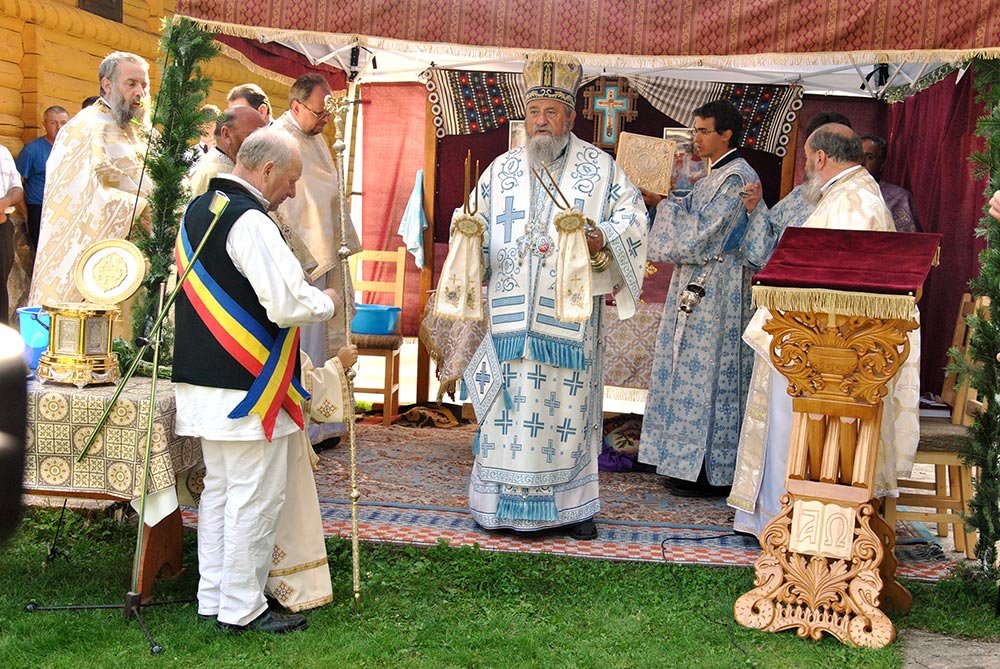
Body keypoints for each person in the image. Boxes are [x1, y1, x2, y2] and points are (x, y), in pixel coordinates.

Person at [438, 53, 647, 539]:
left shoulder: (600, 169)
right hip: (510, 324)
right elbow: (478, 228)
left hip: (566, 323)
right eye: (534, 112)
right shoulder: (501, 169)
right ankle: (498, 507)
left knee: (566, 418)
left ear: (570, 117)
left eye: (551, 113)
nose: (541, 122)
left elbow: (633, 220)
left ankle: (573, 511)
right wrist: (467, 233)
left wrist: (600, 238)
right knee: (507, 416)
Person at [172, 129, 339, 633]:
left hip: (203, 383)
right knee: (253, 497)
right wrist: (328, 303)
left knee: (221, 492)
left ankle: (215, 596)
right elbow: (287, 302)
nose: (291, 191)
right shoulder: (251, 220)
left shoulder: (198, 210)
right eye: (290, 180)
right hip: (247, 388)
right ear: (266, 171)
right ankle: (243, 608)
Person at [729, 124, 919, 537]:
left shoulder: (850, 203)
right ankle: (789, 522)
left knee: (792, 429)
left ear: (819, 159)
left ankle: (796, 525)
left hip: (825, 358)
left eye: (806, 161)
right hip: (819, 347)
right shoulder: (854, 194)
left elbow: (836, 286)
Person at [637, 100, 765, 497]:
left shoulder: (736, 178)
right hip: (698, 284)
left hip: (721, 288)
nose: (696, 138)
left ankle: (710, 471)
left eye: (704, 131)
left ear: (726, 133)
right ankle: (682, 464)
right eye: (695, 130)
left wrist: (662, 205)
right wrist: (665, 202)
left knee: (710, 375)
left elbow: (702, 233)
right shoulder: (714, 175)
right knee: (687, 371)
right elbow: (690, 214)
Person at [28, 52, 153, 307]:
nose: (140, 92)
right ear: (107, 85)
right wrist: (145, 206)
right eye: (131, 84)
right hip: (101, 257)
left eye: (144, 85)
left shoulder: (141, 130)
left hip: (143, 255)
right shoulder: (86, 128)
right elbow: (84, 195)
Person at [272, 73, 361, 365]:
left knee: (322, 333)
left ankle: (325, 393)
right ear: (296, 107)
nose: (325, 119)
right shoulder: (280, 139)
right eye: (319, 112)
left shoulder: (316, 137)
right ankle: (308, 395)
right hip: (302, 257)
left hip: (325, 251)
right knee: (307, 336)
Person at [739, 111, 852, 238]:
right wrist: (756, 208)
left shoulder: (848, 199)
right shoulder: (799, 194)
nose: (806, 164)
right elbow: (769, 239)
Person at [15, 106, 70, 251]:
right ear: (44, 124)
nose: (59, 127)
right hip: (39, 210)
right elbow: (16, 182)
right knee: (42, 254)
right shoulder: (32, 150)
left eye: (63, 123)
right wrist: (25, 213)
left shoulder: (73, 149)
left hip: (66, 209)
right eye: (53, 123)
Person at [188, 106, 268, 197]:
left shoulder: (246, 165)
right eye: (252, 136)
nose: (259, 146)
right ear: (226, 134)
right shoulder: (213, 173)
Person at [861, 134, 920, 232]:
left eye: (869, 157)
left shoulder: (899, 197)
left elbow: (909, 240)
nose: (861, 162)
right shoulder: (840, 193)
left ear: (882, 165)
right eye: (857, 156)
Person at [0, 145, 24, 323]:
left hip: (1, 226)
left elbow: (17, 189)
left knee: (0, 284)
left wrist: (5, 201)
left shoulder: (3, 152)